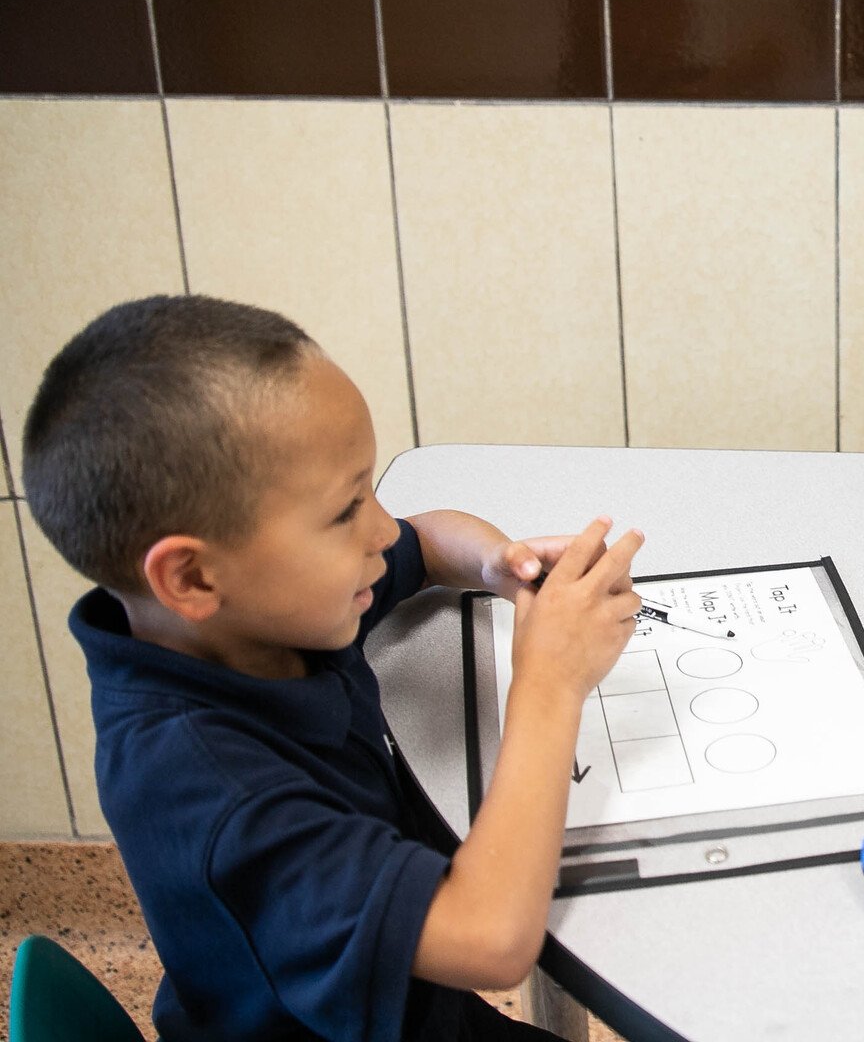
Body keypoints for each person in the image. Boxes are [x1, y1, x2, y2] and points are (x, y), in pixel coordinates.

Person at [21, 294, 649, 1041]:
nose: (381, 528)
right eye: (346, 508)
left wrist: (496, 563)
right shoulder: (210, 791)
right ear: (190, 579)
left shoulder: (257, 612)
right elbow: (492, 941)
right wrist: (550, 681)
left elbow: (425, 539)